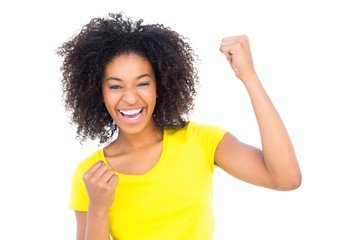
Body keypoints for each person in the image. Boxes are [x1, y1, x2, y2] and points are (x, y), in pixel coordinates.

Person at [56, 12, 301, 240]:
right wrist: (98, 207)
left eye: (142, 83)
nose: (130, 98)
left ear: (159, 87)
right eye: (115, 86)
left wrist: (249, 76)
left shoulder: (201, 141)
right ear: (98, 93)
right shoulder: (90, 174)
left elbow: (286, 178)